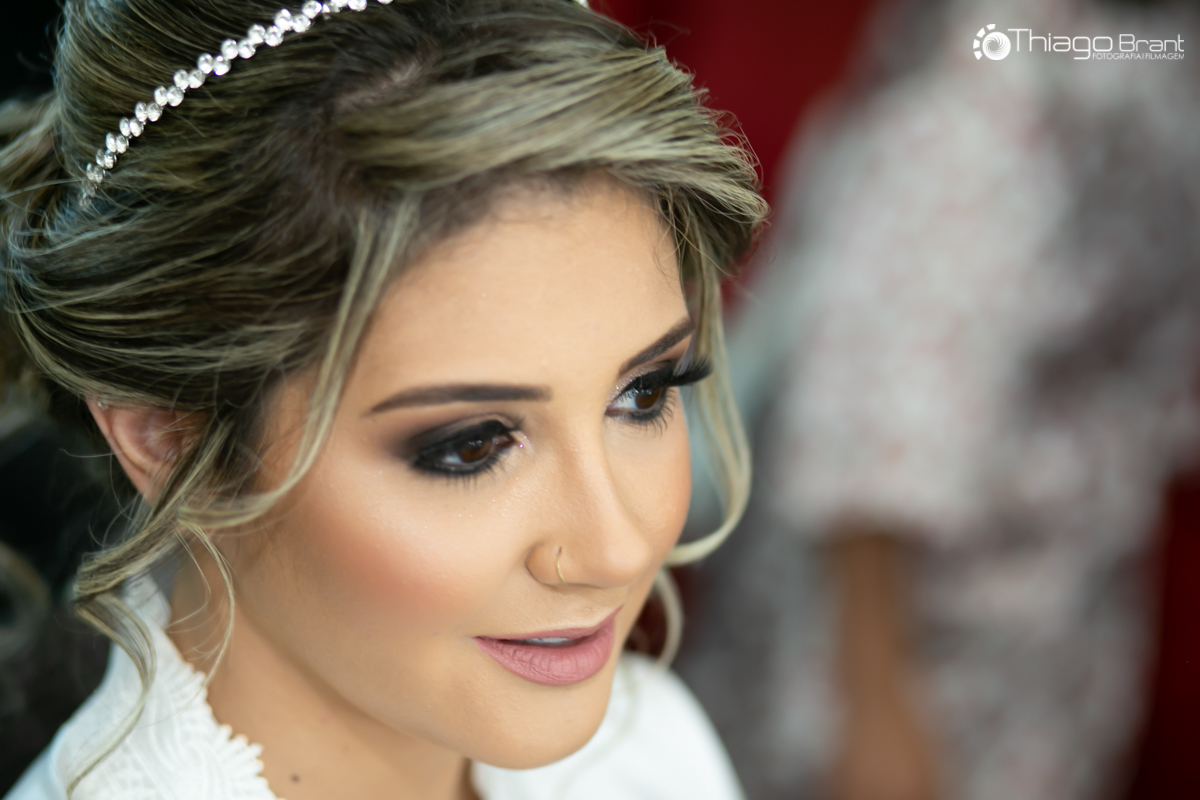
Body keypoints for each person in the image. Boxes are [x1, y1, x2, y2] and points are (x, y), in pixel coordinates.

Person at [0, 1, 766, 798]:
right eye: (472, 445)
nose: (620, 551)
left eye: (642, 394)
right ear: (170, 436)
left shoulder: (646, 756)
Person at [677, 0, 1200, 799]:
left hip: (1042, 621)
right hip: (901, 649)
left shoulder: (1145, 60)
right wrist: (877, 705)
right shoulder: (985, 99)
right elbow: (876, 416)